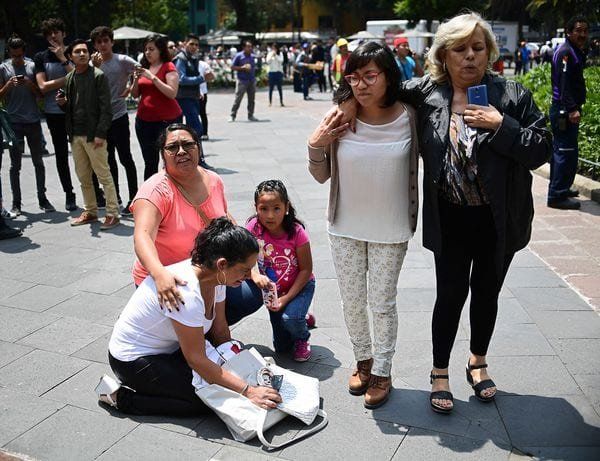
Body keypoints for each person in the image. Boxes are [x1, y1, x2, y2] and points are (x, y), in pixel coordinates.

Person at [336, 13, 551, 414]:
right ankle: (439, 371)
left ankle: (478, 360)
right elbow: (381, 87)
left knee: (487, 292)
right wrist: (348, 101)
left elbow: (541, 148)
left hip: (499, 218)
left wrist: (501, 125)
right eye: (460, 49)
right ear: (443, 56)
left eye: (478, 48)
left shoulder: (512, 96)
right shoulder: (427, 93)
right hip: (450, 216)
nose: (470, 56)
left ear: (489, 52)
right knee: (450, 295)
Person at [308, 42, 419, 409]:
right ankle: (363, 360)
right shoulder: (340, 117)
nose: (361, 85)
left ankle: (383, 370)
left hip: (391, 227)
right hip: (345, 225)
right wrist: (315, 144)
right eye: (354, 78)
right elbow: (320, 175)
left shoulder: (410, 116)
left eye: (370, 76)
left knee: (382, 302)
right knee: (353, 301)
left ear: (388, 76)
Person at [96, 217, 283, 416]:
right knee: (203, 400)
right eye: (244, 270)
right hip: (132, 361)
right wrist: (248, 391)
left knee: (222, 381)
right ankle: (121, 398)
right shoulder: (187, 293)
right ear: (222, 264)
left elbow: (220, 332)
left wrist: (239, 364)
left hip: (171, 349)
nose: (247, 277)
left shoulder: (216, 279)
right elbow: (196, 359)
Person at [131, 123, 228, 308]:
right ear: (163, 155)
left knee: (251, 293)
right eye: (172, 147)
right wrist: (159, 274)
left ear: (198, 147)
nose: (181, 151)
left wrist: (246, 263)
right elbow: (142, 237)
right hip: (169, 279)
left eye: (188, 144)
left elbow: (224, 218)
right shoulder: (154, 191)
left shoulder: (214, 180)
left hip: (205, 273)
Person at [240, 180, 316, 361]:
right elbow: (242, 259)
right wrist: (254, 274)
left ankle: (302, 337)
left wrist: (286, 298)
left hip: (300, 287)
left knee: (290, 319)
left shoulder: (297, 232)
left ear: (286, 207)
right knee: (282, 348)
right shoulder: (253, 228)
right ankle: (302, 318)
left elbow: (306, 269)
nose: (270, 215)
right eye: (263, 209)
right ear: (256, 208)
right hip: (273, 291)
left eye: (276, 208)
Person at [57, 39, 120, 230]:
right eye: (77, 52)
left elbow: (106, 109)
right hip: (75, 135)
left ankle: (112, 213)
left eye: (85, 51)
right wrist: (63, 104)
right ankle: (90, 211)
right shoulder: (70, 77)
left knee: (104, 175)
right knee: (84, 177)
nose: (82, 54)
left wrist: (101, 133)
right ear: (70, 56)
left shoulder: (98, 75)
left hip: (94, 135)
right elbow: (72, 108)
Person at [0, 35, 55, 215]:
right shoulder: (3, 68)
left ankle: (43, 199)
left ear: (24, 52)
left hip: (33, 121)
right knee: (15, 166)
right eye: (13, 55)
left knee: (38, 162)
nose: (17, 59)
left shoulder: (32, 66)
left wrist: (30, 84)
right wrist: (8, 85)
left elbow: (41, 94)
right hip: (14, 123)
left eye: (20, 55)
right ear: (9, 53)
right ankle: (16, 203)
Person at [90, 26, 139, 216]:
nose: (103, 45)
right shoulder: (91, 63)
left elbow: (140, 70)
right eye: (99, 42)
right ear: (95, 45)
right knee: (108, 160)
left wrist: (131, 86)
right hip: (101, 119)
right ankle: (115, 196)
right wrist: (94, 67)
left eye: (106, 41)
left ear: (112, 42)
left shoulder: (122, 60)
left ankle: (133, 198)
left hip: (119, 115)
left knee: (125, 157)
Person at [34, 17, 77, 211]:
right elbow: (42, 86)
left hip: (77, 111)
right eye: (49, 33)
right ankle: (69, 194)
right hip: (53, 113)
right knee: (61, 155)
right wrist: (69, 77)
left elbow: (82, 78)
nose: (53, 36)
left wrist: (63, 58)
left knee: (85, 153)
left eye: (56, 32)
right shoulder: (41, 57)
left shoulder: (74, 51)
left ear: (63, 33)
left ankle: (96, 192)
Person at [547, 16, 589, 210]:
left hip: (564, 109)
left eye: (585, 31)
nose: (582, 34)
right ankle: (557, 195)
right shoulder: (566, 52)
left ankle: (561, 188)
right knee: (565, 151)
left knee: (564, 151)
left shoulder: (572, 50)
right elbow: (564, 85)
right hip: (564, 110)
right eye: (578, 30)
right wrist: (572, 109)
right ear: (569, 32)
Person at [132, 34, 182, 180]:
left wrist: (152, 77)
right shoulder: (144, 67)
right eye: (146, 49)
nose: (147, 52)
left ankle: (173, 189)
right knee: (150, 162)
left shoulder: (168, 66)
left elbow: (172, 93)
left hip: (166, 121)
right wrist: (135, 80)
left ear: (160, 50)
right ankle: (151, 191)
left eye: (151, 49)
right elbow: (135, 95)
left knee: (170, 160)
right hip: (144, 122)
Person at [174, 33, 211, 169]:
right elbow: (181, 79)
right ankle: (198, 161)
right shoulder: (181, 59)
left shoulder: (191, 58)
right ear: (185, 44)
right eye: (191, 44)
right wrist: (202, 78)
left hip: (192, 97)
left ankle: (196, 160)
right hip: (184, 99)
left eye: (196, 44)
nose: (194, 47)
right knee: (196, 129)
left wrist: (198, 90)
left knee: (193, 131)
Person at [229, 41, 258, 122]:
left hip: (251, 80)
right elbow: (232, 67)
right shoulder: (239, 56)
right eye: (248, 47)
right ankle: (232, 115)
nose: (250, 48)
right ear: (244, 47)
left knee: (251, 99)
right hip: (242, 81)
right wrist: (242, 68)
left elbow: (254, 67)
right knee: (238, 99)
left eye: (251, 46)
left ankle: (250, 115)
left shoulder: (252, 56)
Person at [197, 55, 215, 141]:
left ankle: (204, 133)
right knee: (192, 114)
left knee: (202, 112)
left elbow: (211, 76)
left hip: (203, 92)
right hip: (190, 93)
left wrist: (209, 74)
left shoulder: (203, 64)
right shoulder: (185, 63)